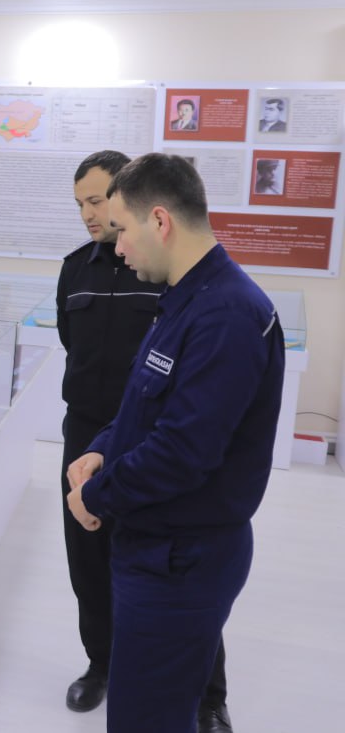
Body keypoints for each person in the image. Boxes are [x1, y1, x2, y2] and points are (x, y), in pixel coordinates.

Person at [66, 152, 284, 733]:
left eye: (123, 229)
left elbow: (182, 453)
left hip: (180, 558)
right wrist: (104, 447)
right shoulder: (185, 298)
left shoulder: (227, 315)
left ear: (159, 221)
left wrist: (96, 496)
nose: (117, 247)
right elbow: (144, 403)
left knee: (148, 718)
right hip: (154, 547)